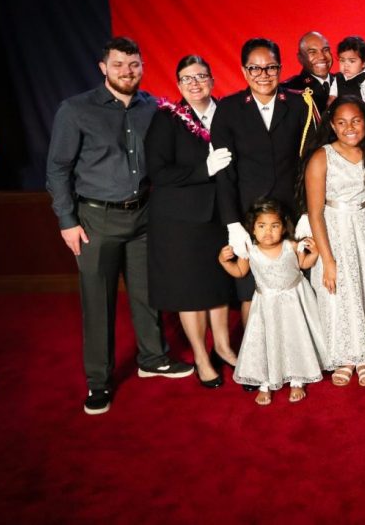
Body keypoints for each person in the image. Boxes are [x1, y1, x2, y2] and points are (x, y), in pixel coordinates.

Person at [46, 36, 192, 415]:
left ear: (142, 66)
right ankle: (98, 381)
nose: (127, 72)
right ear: (103, 68)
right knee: (99, 302)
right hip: (96, 219)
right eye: (118, 65)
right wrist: (67, 221)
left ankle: (153, 358)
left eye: (133, 65)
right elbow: (58, 169)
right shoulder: (75, 110)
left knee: (147, 293)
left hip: (144, 215)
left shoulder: (154, 108)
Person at [144, 55, 238, 388]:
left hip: (220, 215)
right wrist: (203, 170)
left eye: (200, 76)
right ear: (178, 85)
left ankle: (223, 347)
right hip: (180, 220)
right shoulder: (166, 119)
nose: (194, 84)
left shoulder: (227, 112)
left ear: (212, 79)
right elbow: (158, 172)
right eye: (187, 78)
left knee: (217, 283)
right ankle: (201, 356)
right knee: (190, 290)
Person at [211, 37, 318, 322]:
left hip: (292, 212)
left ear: (280, 68)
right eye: (255, 68)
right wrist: (233, 223)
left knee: (297, 283)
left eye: (271, 67)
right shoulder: (229, 108)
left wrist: (307, 212)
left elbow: (310, 162)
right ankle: (258, 348)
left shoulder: (299, 103)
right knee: (251, 290)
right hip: (249, 214)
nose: (263, 75)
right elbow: (225, 172)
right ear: (244, 71)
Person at [303, 97, 365, 386]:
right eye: (342, 122)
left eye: (356, 121)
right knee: (340, 291)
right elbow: (315, 213)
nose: (350, 127)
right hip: (336, 232)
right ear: (333, 126)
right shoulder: (321, 157)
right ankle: (346, 356)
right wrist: (327, 260)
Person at [218, 199, 328, 405]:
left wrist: (314, 253)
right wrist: (224, 262)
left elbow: (303, 264)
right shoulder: (249, 251)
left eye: (274, 226)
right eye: (262, 226)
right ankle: (265, 382)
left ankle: (297, 378)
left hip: (294, 301)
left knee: (295, 338)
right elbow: (239, 271)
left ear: (283, 227)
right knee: (267, 340)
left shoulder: (291, 246)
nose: (268, 232)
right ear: (252, 228)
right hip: (266, 305)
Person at [281, 31, 337, 113]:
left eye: (325, 50)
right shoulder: (289, 89)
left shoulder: (344, 82)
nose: (322, 57)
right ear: (300, 58)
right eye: (312, 52)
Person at [334, 35, 365, 104]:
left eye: (352, 61)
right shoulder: (338, 78)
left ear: (364, 62)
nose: (346, 65)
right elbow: (331, 99)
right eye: (342, 60)